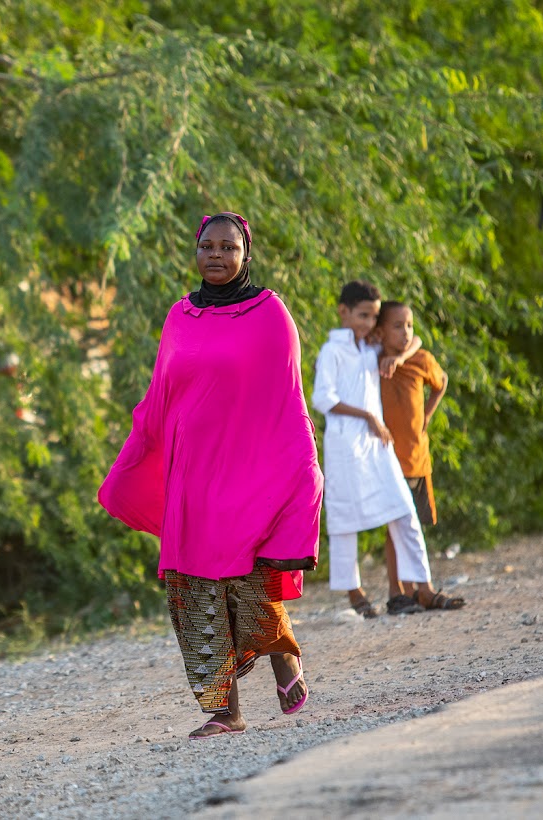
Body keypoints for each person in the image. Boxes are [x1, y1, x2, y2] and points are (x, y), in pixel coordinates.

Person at [98, 212, 323, 739]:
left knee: (246, 582)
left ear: (247, 254)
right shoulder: (179, 316)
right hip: (190, 478)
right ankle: (227, 712)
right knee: (196, 594)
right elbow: (160, 397)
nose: (216, 255)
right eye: (207, 247)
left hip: (247, 473)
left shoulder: (270, 313)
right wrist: (135, 459)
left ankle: (282, 657)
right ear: (196, 252)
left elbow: (285, 396)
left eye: (227, 247)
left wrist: (301, 462)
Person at [310, 280, 430, 618]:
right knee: (345, 517)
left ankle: (422, 584)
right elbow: (323, 398)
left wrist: (399, 357)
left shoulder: (370, 348)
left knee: (402, 507)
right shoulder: (333, 351)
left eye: (374, 317)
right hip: (346, 443)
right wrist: (367, 416)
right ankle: (355, 593)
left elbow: (416, 341)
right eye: (362, 315)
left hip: (377, 443)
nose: (368, 323)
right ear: (343, 312)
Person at [376, 301, 466, 613]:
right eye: (397, 326)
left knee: (413, 525)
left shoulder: (419, 359)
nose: (406, 332)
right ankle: (400, 591)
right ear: (380, 331)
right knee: (396, 527)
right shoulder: (374, 360)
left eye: (409, 325)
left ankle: (416, 591)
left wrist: (428, 414)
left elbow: (442, 383)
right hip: (388, 460)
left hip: (416, 455)